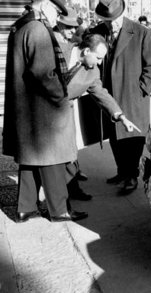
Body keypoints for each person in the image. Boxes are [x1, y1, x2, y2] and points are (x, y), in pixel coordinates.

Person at [3, 0, 89, 223]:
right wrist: (61, 96)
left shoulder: (20, 26)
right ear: (43, 6)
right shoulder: (38, 29)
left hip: (28, 107)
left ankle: (26, 207)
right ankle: (59, 210)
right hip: (43, 108)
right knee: (53, 159)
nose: (57, 16)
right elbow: (44, 74)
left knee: (31, 159)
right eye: (55, 11)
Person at [92, 0, 151, 194]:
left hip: (132, 96)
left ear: (123, 13)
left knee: (132, 138)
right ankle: (122, 172)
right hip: (109, 95)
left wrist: (141, 90)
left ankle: (131, 177)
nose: (110, 24)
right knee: (114, 137)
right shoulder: (99, 31)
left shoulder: (141, 32)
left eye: (114, 20)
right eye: (107, 20)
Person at [54, 7, 93, 201]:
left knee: (72, 145)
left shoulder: (71, 44)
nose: (71, 32)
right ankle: (66, 192)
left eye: (74, 28)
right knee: (64, 149)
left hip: (69, 104)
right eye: (68, 28)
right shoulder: (54, 44)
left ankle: (73, 182)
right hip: (55, 105)